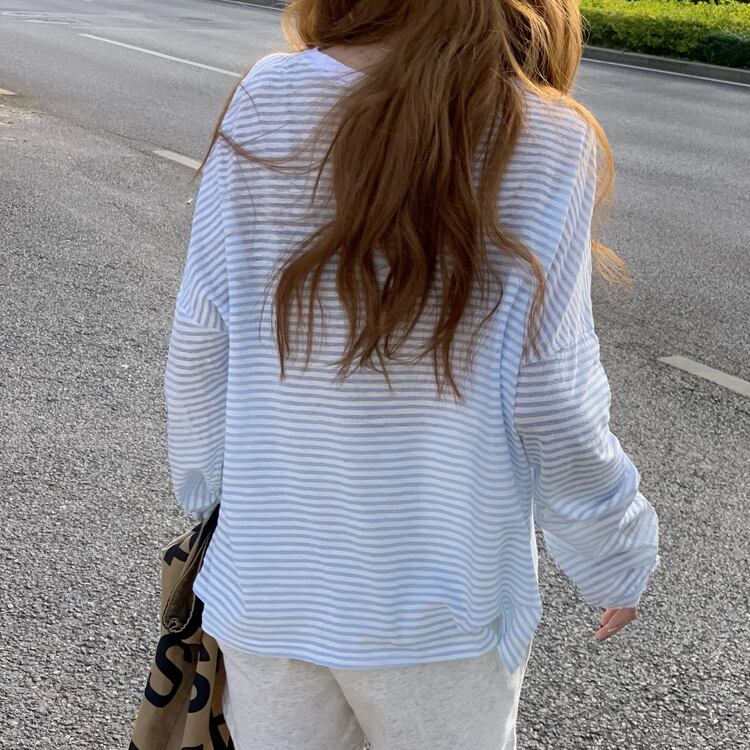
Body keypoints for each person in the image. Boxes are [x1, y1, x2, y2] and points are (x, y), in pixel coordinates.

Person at [162, 0, 661, 748]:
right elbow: (553, 395)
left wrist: (210, 498)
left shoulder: (268, 96)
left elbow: (202, 339)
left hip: (270, 585)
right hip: (443, 608)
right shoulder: (547, 134)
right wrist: (612, 551)